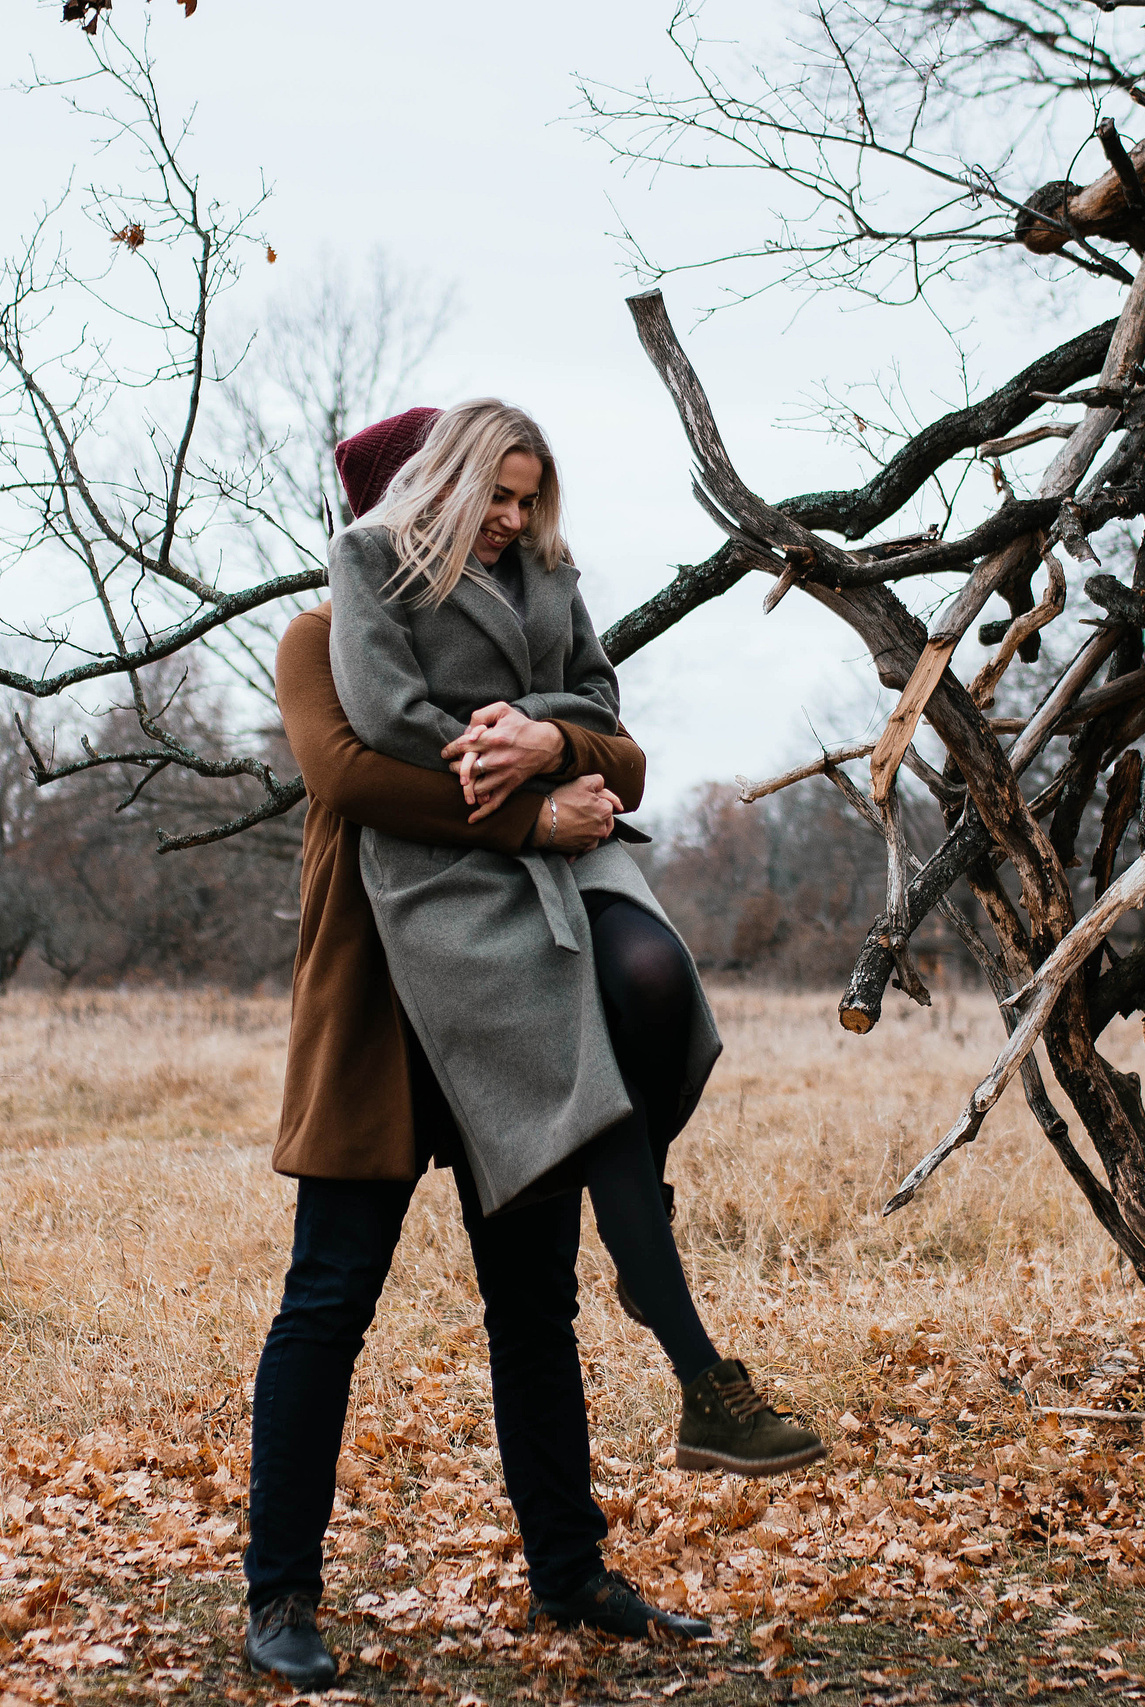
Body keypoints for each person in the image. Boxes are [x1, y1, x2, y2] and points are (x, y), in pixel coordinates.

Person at [239, 405, 819, 1689]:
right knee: (327, 1302)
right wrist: (533, 820)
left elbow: (619, 750)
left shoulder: (532, 622)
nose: (492, 532)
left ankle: (570, 1572)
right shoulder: (318, 639)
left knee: (534, 1306)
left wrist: (557, 750)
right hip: (381, 1008)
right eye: (468, 503)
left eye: (511, 507)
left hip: (514, 992)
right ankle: (278, 1592)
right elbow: (351, 781)